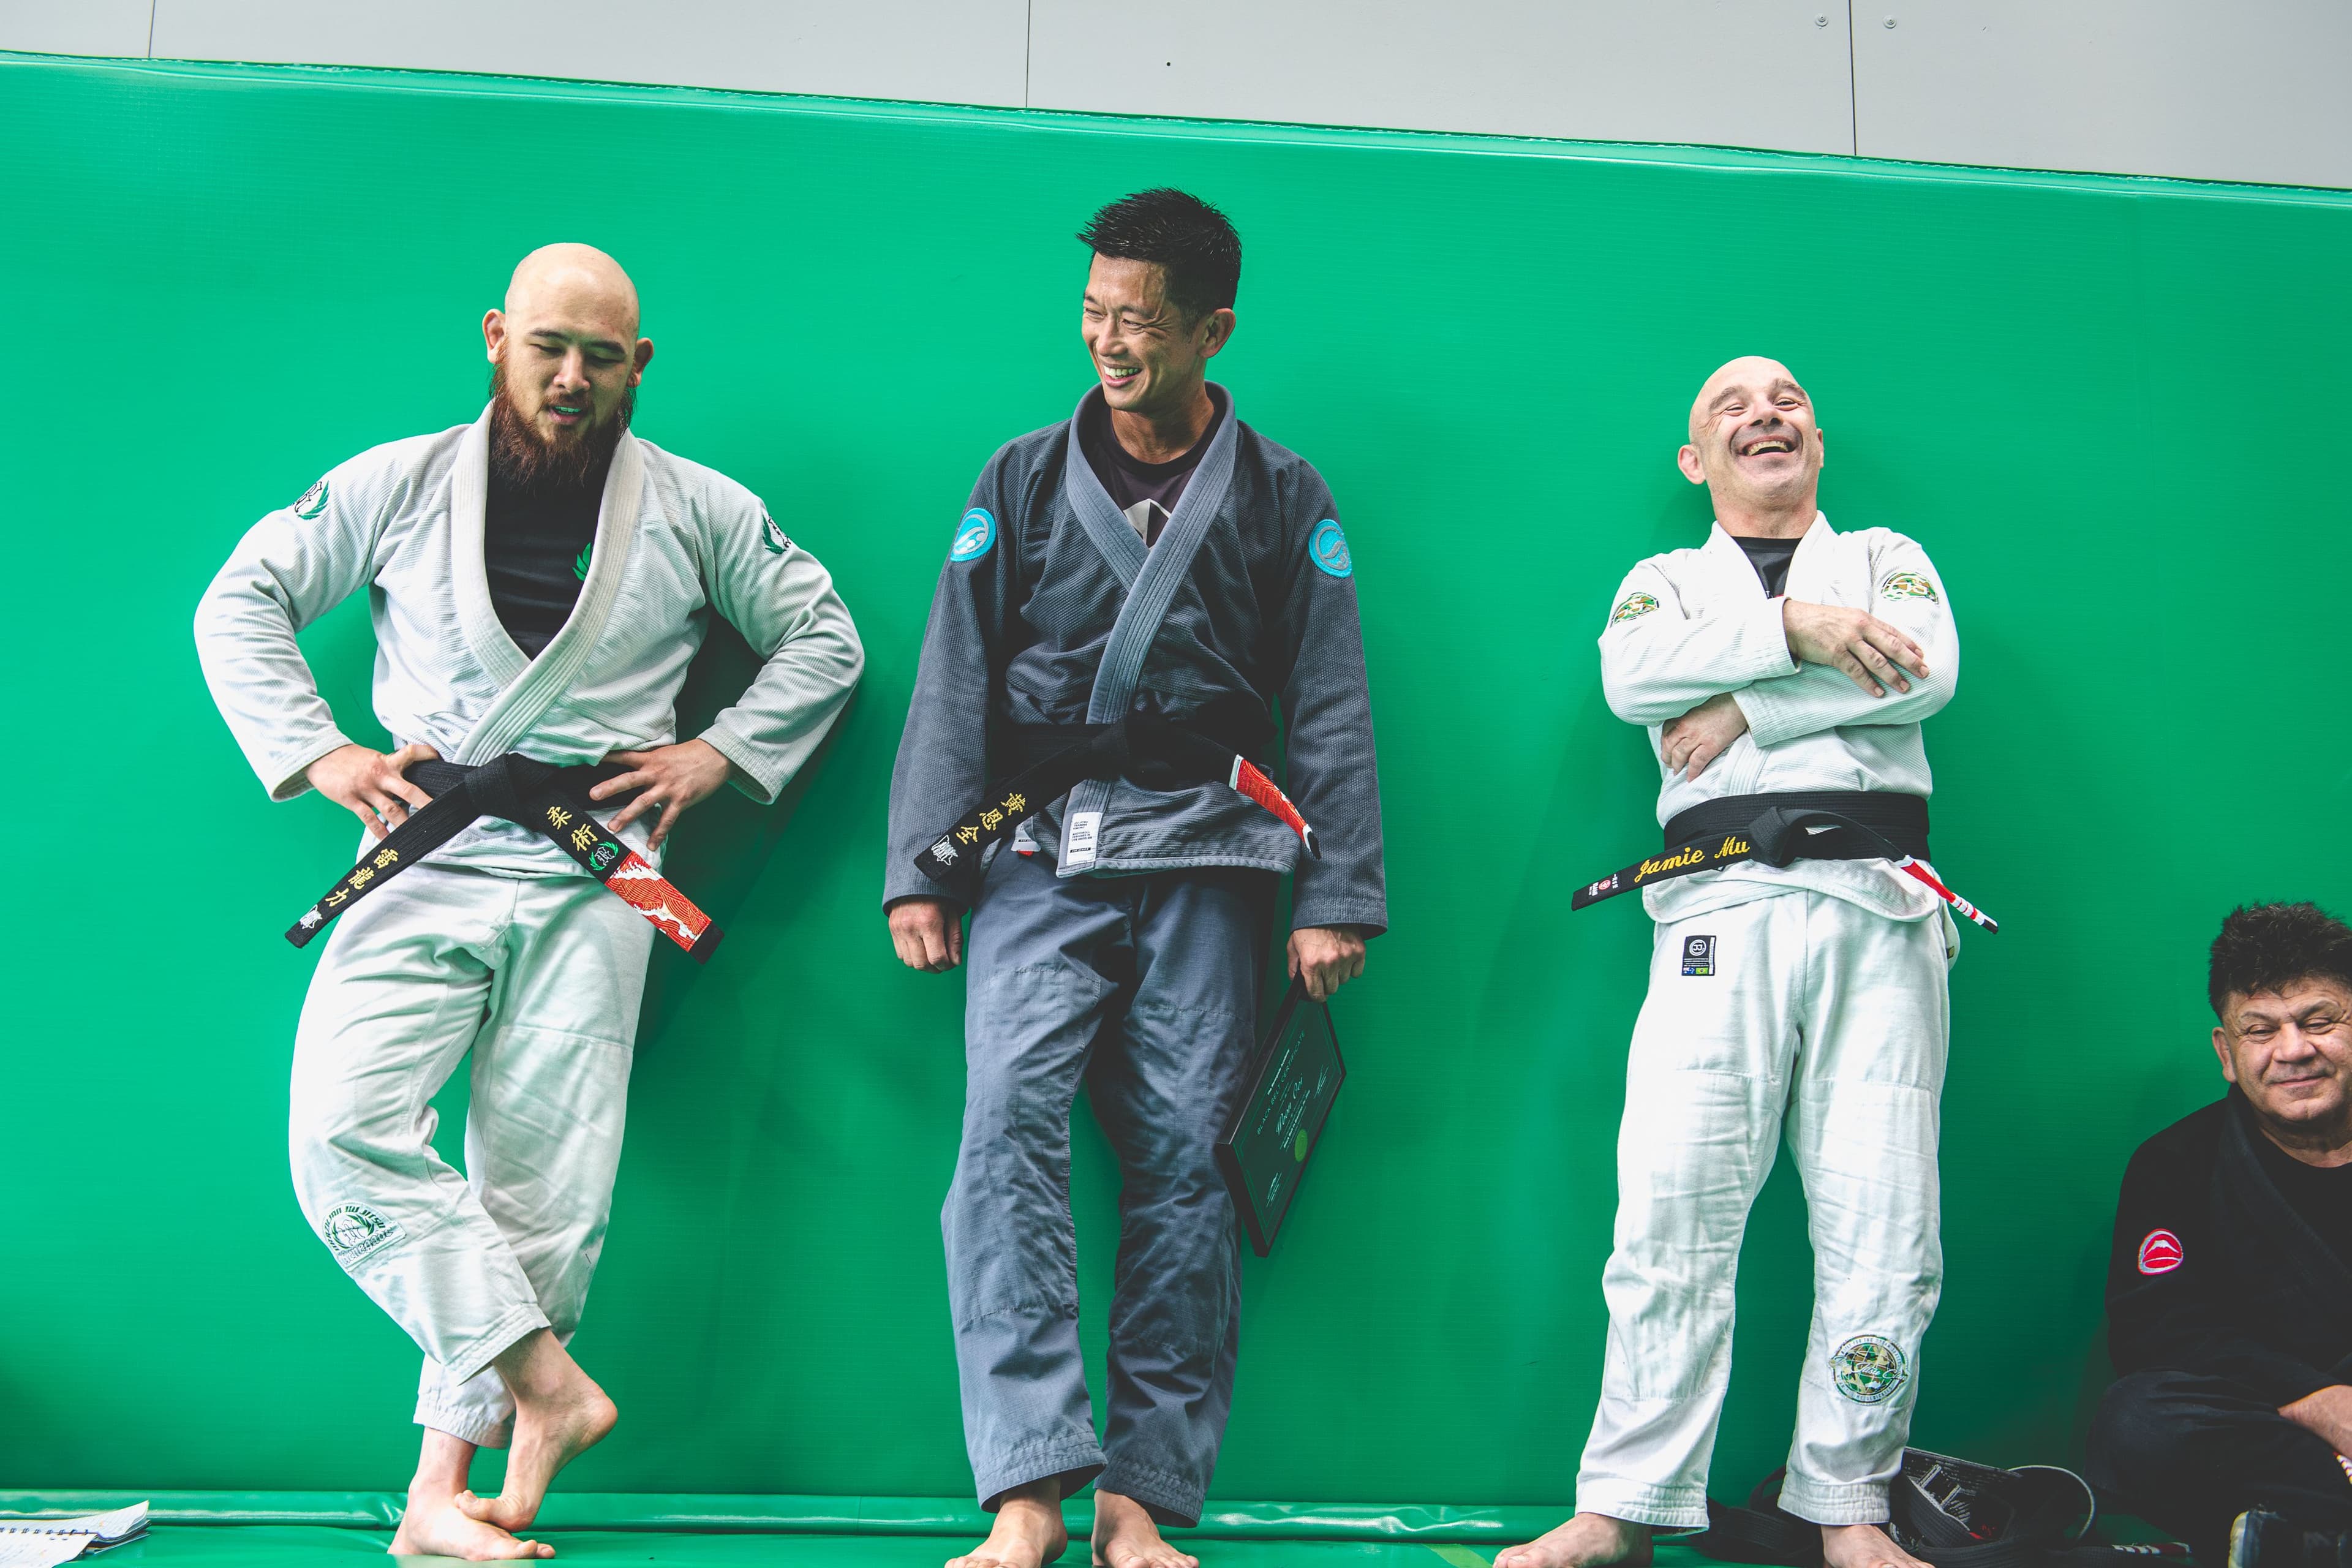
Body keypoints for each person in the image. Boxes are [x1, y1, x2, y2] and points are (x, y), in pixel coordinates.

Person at [193, 244, 863, 1561]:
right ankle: (548, 1385)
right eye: (549, 346)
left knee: (543, 1186)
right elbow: (244, 598)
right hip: (424, 840)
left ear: (640, 366)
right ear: (496, 335)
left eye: (601, 357)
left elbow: (823, 635)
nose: (571, 379)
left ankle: (442, 1492)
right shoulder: (394, 481)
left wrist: (718, 754)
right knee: (341, 1129)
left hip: (596, 864)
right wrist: (318, 750)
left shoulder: (697, 505)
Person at [883, 188, 1385, 1568]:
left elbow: (1329, 698)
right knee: (1002, 1130)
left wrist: (1338, 889)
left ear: (1214, 330)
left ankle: (1144, 1496)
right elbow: (954, 672)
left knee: (1187, 1162)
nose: (1112, 342)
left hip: (1216, 860)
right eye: (1097, 313)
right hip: (1042, 850)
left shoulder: (1288, 494)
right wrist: (923, 866)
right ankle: (1031, 1486)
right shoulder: (1021, 475)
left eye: (1145, 324)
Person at [1504, 358, 1964, 1568]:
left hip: (1878, 907)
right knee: (1671, 1202)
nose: (1768, 410)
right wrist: (1798, 633)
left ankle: (1848, 1501)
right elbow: (1631, 682)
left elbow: (1929, 668)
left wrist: (1754, 708)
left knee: (1886, 1213)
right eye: (1731, 407)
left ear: (1819, 435)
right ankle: (1627, 1500)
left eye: (1792, 396)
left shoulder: (1885, 555)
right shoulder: (1664, 584)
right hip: (1717, 912)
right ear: (1693, 462)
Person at [2088, 902, 2352, 1568]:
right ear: (2226, 1052)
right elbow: (2157, 1329)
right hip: (2276, 1430)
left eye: (2319, 1021)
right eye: (2260, 1030)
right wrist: (2318, 1402)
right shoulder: (2175, 1163)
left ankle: (2310, 1544)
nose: (2293, 1050)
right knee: (2140, 1419)